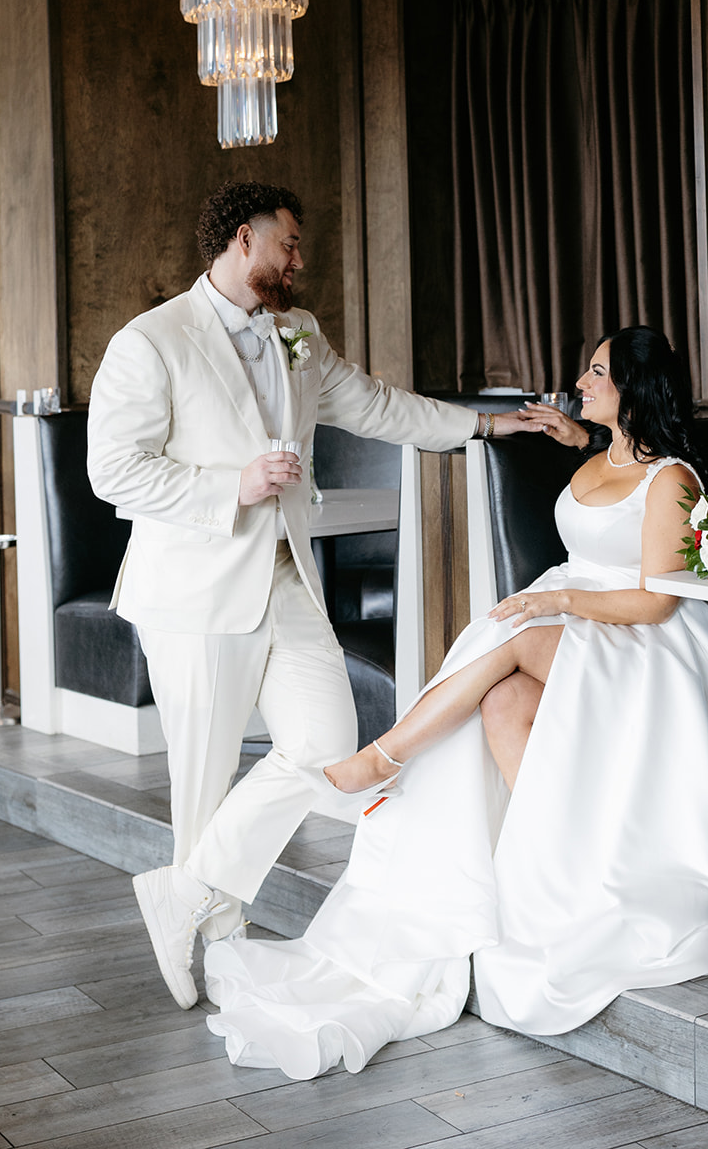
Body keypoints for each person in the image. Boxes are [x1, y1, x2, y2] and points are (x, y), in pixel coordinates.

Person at [204, 326, 708, 1079]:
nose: (580, 382)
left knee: (511, 636)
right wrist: (576, 438)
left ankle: (382, 758)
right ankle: (554, 853)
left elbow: (655, 600)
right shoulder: (599, 453)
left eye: (596, 372)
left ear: (633, 387)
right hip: (577, 620)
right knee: (501, 702)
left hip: (643, 642)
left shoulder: (671, 480)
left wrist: (558, 600)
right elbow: (600, 491)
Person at [86, 180, 536, 1011]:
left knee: (325, 742)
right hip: (193, 590)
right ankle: (219, 942)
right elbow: (112, 471)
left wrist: (483, 424)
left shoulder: (298, 333)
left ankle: (184, 893)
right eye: (288, 243)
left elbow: (374, 406)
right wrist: (233, 485)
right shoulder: (151, 340)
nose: (298, 260)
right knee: (204, 775)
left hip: (286, 574)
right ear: (243, 239)